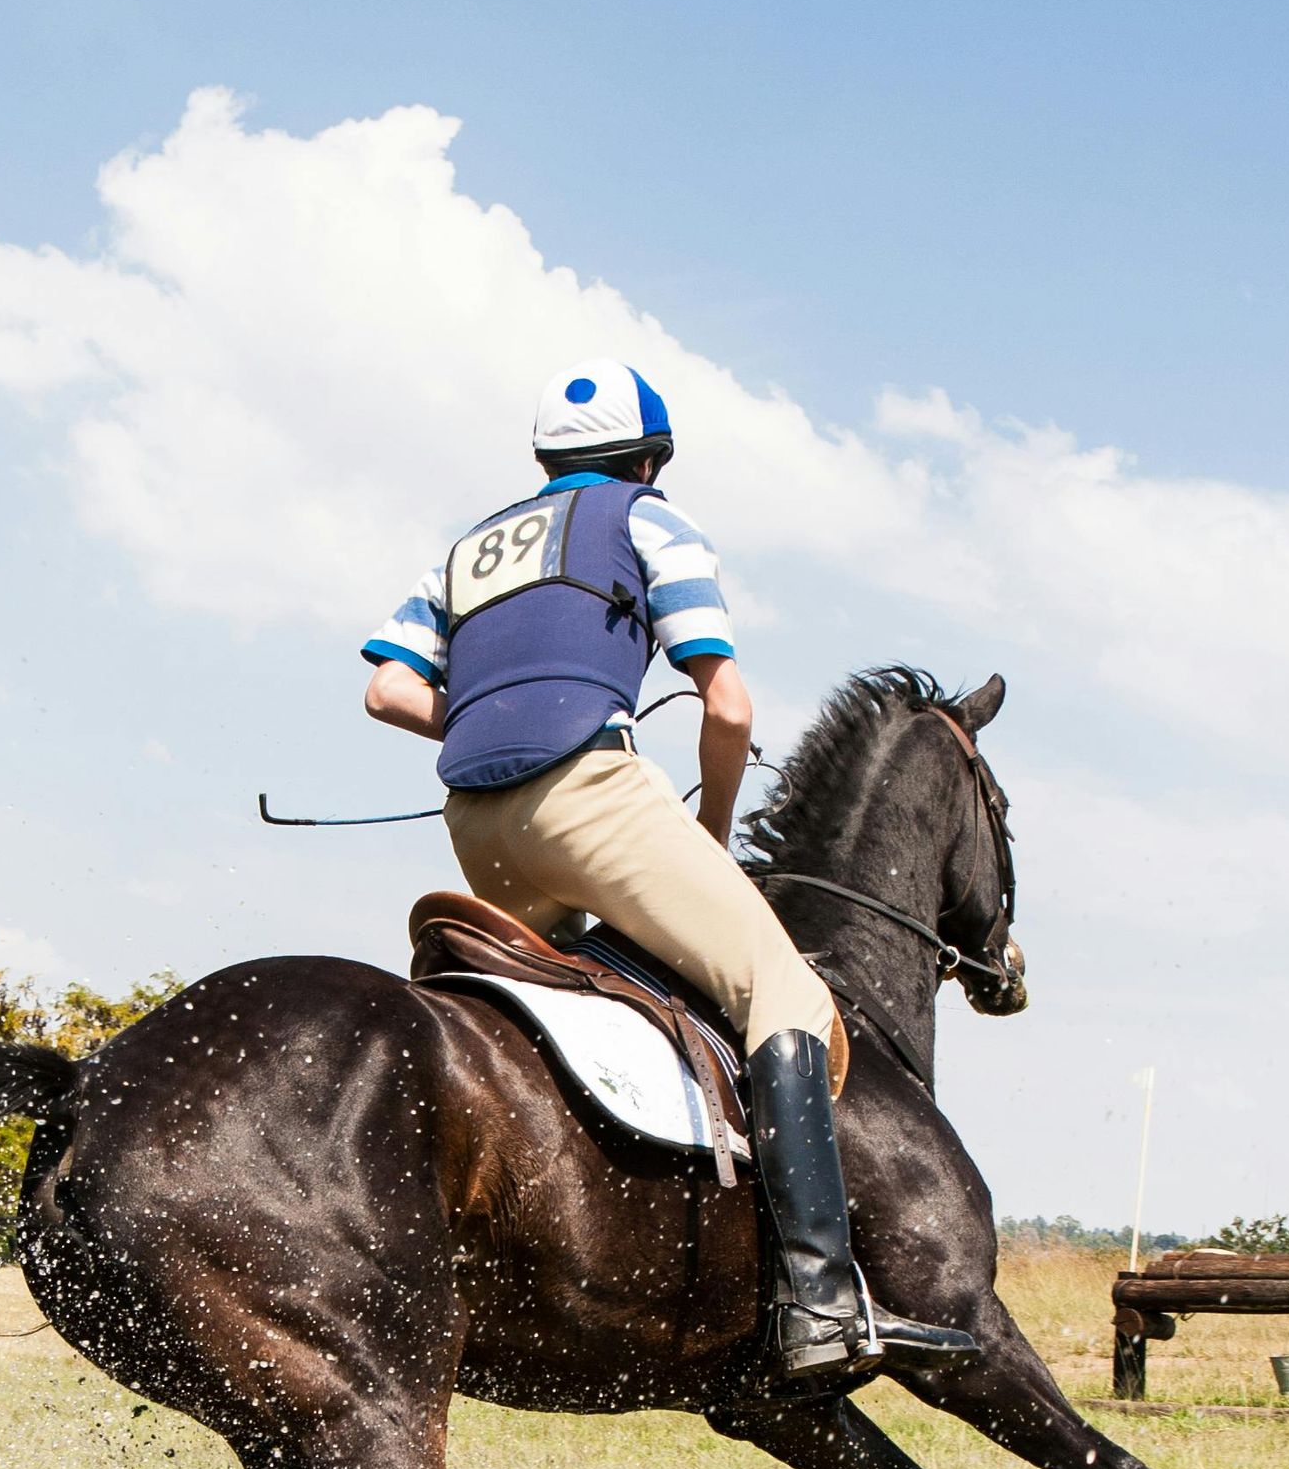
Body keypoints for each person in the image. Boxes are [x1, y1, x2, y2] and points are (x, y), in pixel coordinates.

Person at [362, 357, 975, 1383]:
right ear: (651, 460)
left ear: (544, 460)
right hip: (592, 800)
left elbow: (387, 690)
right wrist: (718, 825)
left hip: (476, 826)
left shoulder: (469, 550)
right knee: (781, 986)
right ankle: (822, 1301)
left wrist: (475, 716)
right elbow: (727, 704)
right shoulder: (649, 520)